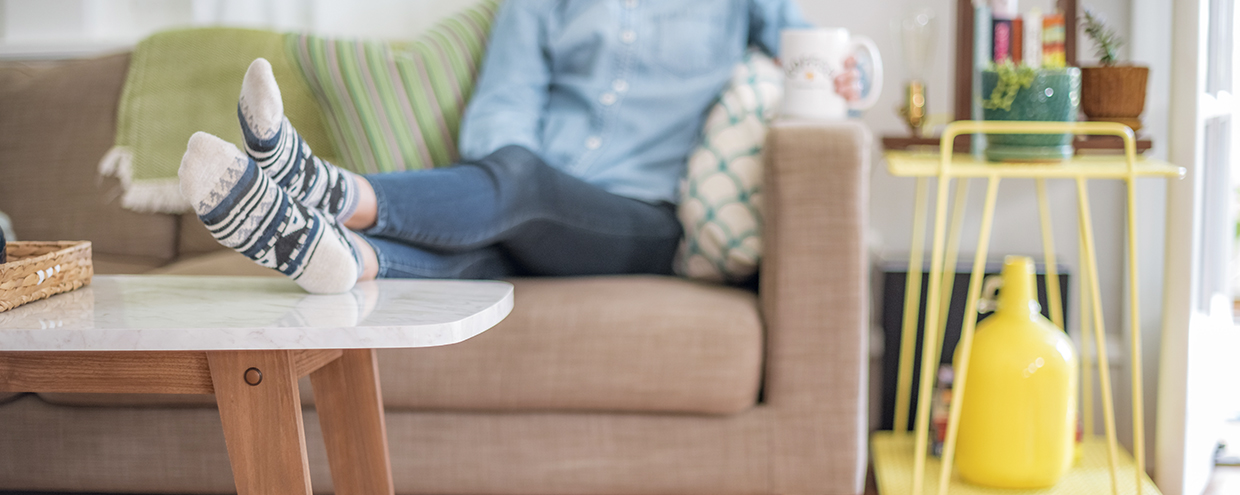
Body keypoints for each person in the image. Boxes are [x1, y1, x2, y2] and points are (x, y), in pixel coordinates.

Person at [177, 0, 862, 294]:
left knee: (524, 188)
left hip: (644, 219)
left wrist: (860, 73)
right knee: (513, 205)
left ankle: (323, 188)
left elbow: (818, 57)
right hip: (526, 191)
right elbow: (502, 106)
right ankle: (338, 254)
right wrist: (505, 196)